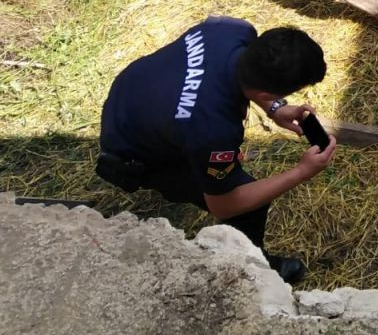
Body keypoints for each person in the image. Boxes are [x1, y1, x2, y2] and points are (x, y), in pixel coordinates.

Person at [96, 15, 335, 283]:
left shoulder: (231, 30)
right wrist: (301, 171)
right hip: (130, 151)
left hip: (132, 95)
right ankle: (248, 268)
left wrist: (276, 108)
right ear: (267, 92)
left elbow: (245, 75)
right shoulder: (213, 132)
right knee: (250, 207)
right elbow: (225, 204)